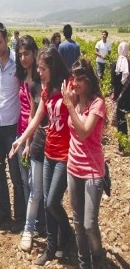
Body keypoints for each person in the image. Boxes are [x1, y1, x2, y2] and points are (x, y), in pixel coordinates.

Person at [10, 47, 74, 266]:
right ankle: (52, 247)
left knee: (53, 201)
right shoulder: (45, 90)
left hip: (65, 155)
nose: (39, 72)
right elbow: (36, 119)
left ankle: (68, 235)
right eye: (38, 67)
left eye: (43, 68)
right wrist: (21, 140)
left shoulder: (68, 87)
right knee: (47, 203)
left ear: (53, 67)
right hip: (49, 153)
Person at [61, 58, 107, 269]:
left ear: (89, 81)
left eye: (81, 79)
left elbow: (84, 131)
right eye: (74, 78)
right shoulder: (75, 100)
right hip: (73, 168)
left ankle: (98, 258)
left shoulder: (97, 104)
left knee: (89, 225)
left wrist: (70, 105)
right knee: (78, 223)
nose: (76, 83)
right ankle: (83, 263)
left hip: (92, 172)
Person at [0, 22, 25, 228]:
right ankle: (3, 210)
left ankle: (20, 216)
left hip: (13, 127)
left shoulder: (17, 63)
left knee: (16, 173)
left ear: (6, 39)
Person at [14, 35, 45, 252]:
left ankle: (37, 224)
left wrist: (27, 142)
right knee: (26, 181)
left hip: (32, 137)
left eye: (27, 54)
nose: (24, 58)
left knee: (36, 184)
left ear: (34, 54)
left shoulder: (38, 80)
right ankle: (31, 221)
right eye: (21, 54)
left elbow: (36, 114)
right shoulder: (20, 76)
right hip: (20, 132)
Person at [111, 42, 130, 150]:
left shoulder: (115, 65)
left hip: (120, 96)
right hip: (128, 95)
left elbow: (113, 82)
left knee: (121, 120)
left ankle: (122, 146)